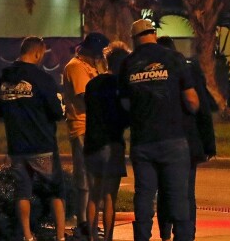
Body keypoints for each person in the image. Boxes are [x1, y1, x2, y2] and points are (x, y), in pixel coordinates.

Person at [119, 19, 200, 241]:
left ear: (134, 39)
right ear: (154, 34)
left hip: (143, 141)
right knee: (178, 197)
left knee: (144, 196)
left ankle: (143, 236)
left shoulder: (128, 63)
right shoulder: (174, 58)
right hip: (173, 139)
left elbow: (125, 104)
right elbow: (192, 101)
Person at [0, 36, 67, 241]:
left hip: (17, 146)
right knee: (55, 190)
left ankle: (27, 235)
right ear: (37, 53)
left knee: (22, 192)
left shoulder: (4, 79)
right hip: (41, 144)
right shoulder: (41, 78)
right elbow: (57, 111)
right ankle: (60, 236)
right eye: (42, 54)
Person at [155, 36, 217, 241]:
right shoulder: (188, 71)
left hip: (163, 139)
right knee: (186, 191)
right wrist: (208, 145)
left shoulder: (155, 74)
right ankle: (186, 234)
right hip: (188, 140)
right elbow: (203, 110)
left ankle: (166, 231)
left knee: (164, 189)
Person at [63, 31, 110, 239]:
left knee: (94, 179)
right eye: (99, 54)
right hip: (82, 126)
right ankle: (82, 222)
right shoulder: (75, 67)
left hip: (93, 127)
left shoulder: (90, 67)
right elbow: (85, 97)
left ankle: (89, 222)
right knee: (84, 178)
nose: (100, 58)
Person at [83, 42, 131, 241]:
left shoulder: (92, 84)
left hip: (92, 142)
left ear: (107, 61)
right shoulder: (122, 85)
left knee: (94, 194)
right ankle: (108, 237)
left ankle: (92, 236)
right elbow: (125, 116)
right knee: (110, 195)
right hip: (112, 143)